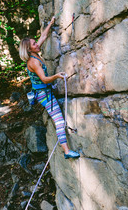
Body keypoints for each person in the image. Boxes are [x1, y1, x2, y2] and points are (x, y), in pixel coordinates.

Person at [19, 16, 80, 159]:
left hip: (44, 91)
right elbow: (44, 79)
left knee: (58, 119)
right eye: (34, 44)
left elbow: (44, 36)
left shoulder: (34, 52)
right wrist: (57, 76)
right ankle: (67, 152)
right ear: (29, 49)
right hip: (43, 94)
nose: (37, 44)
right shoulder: (33, 62)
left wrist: (51, 23)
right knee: (59, 120)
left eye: (35, 42)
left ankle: (66, 150)